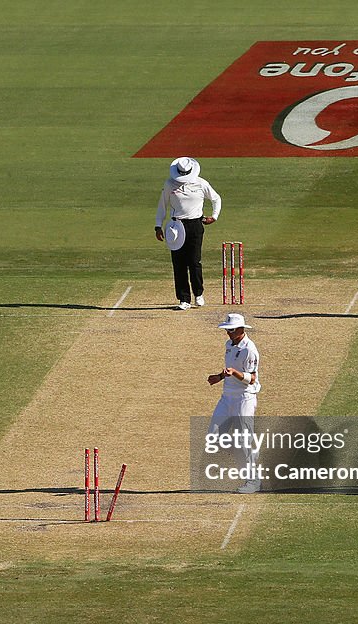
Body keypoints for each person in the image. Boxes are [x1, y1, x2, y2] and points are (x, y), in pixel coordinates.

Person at [155, 157, 222, 310]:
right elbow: (162, 206)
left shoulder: (201, 183)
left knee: (194, 262)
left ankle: (198, 293)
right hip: (175, 226)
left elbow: (216, 198)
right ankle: (184, 299)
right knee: (179, 264)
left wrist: (214, 216)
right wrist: (158, 226)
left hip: (195, 224)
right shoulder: (169, 183)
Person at [207, 313, 261, 493]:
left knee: (244, 440)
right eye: (227, 330)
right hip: (227, 396)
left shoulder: (249, 349)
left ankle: (253, 481)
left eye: (231, 330)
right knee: (213, 436)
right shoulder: (229, 345)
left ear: (241, 329)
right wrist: (219, 377)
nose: (228, 333)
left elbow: (252, 379)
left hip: (244, 398)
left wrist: (235, 373)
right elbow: (229, 370)